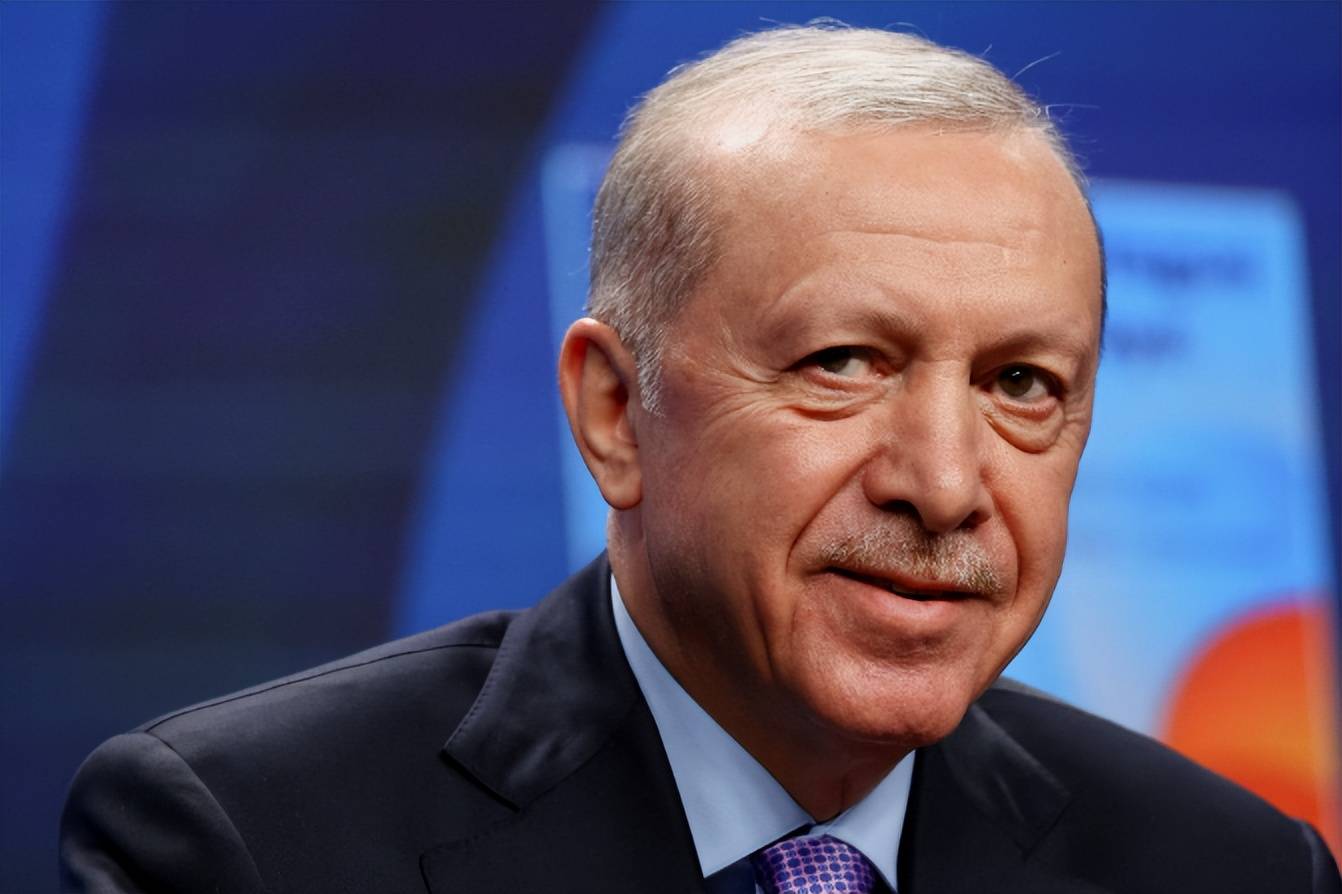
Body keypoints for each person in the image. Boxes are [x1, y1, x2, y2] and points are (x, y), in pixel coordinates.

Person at [61, 24, 1340, 894]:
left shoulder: (1228, 869)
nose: (947, 485)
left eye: (1019, 385)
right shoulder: (243, 842)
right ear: (616, 412)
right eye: (843, 361)